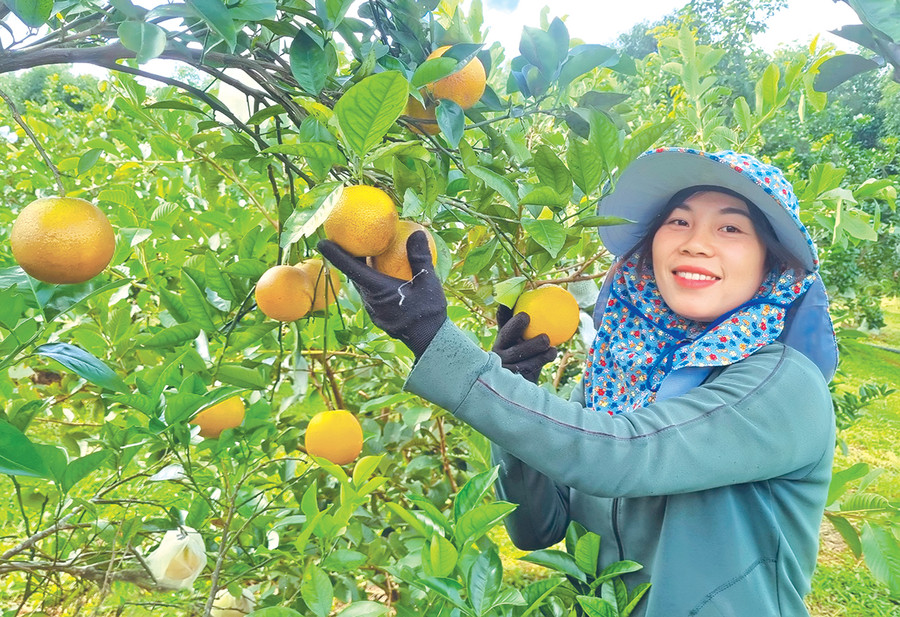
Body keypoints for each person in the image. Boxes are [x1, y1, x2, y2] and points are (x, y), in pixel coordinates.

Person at [318, 147, 838, 617]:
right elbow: (535, 528)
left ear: (771, 262)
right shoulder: (618, 379)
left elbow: (623, 457)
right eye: (678, 221)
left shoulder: (782, 386)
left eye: (730, 228)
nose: (696, 243)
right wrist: (512, 386)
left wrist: (436, 341)